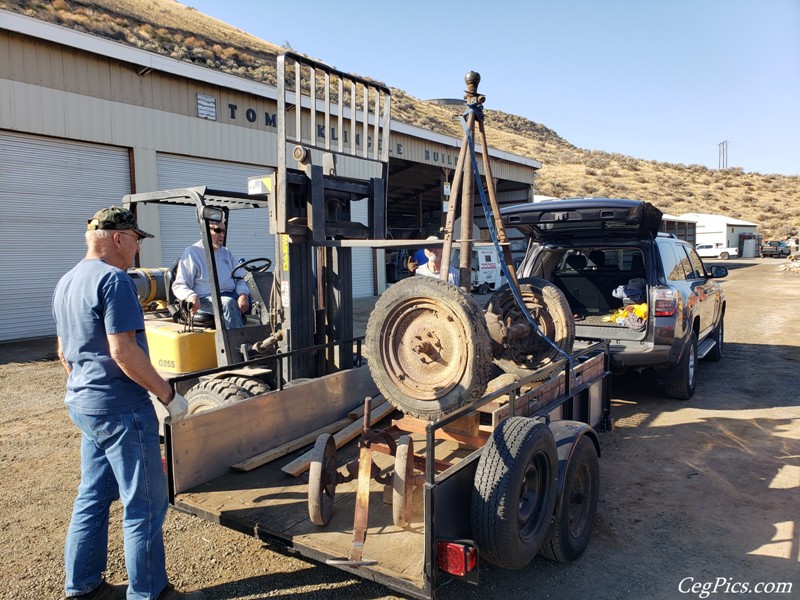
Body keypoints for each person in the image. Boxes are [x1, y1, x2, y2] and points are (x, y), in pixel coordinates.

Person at [52, 206, 204, 600]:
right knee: (145, 505)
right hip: (121, 410)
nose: (137, 247)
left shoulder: (67, 281)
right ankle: (150, 593)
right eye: (136, 239)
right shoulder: (115, 281)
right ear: (117, 238)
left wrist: (86, 387)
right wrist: (168, 395)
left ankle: (82, 587)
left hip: (86, 405)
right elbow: (124, 352)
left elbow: (63, 351)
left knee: (93, 496)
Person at [171, 219, 249, 328]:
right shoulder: (192, 252)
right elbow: (179, 285)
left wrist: (243, 294)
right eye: (218, 230)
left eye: (223, 231)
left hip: (231, 294)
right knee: (228, 303)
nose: (222, 234)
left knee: (260, 298)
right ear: (205, 231)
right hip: (205, 299)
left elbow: (240, 278)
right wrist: (191, 296)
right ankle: (239, 342)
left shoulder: (226, 253)